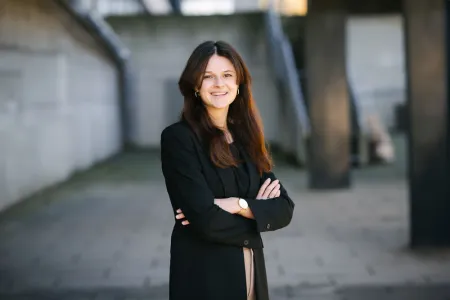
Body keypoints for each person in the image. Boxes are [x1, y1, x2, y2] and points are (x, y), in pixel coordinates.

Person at [160, 40, 295, 300]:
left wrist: (238, 204)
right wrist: (257, 214)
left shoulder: (247, 139)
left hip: (252, 272)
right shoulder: (179, 139)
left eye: (227, 75)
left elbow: (284, 208)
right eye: (208, 76)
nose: (219, 84)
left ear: (238, 84)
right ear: (196, 86)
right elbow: (205, 221)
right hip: (205, 275)